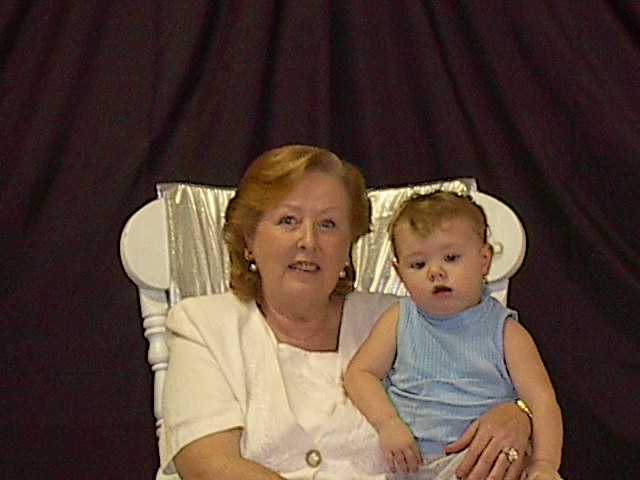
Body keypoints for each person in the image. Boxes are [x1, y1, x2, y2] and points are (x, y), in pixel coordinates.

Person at [160, 145, 533, 479]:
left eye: (328, 224)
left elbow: (475, 384)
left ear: (349, 243)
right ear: (249, 238)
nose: (308, 241)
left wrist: (518, 413)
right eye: (288, 220)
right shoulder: (205, 325)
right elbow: (207, 465)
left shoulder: (403, 319)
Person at [344, 192, 563, 480]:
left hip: (483, 463)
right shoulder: (399, 319)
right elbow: (359, 374)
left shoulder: (505, 332)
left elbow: (542, 400)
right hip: (410, 463)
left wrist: (545, 464)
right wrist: (388, 423)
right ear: (399, 272)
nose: (435, 272)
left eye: (451, 258)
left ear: (484, 260)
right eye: (418, 264)